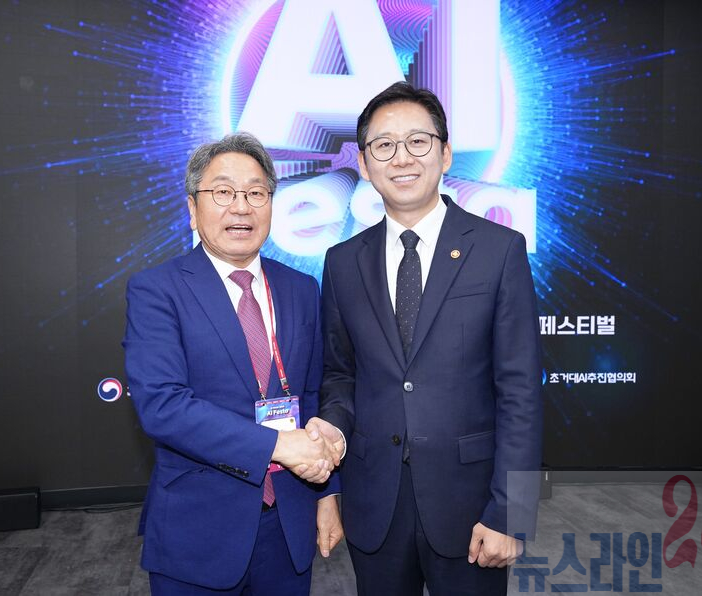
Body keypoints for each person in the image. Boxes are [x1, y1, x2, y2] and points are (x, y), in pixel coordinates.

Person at [315, 82, 544, 595]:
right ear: (364, 163)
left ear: (445, 153)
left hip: (473, 507)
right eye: (384, 145)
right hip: (374, 504)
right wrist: (330, 439)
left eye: (418, 141)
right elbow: (339, 375)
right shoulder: (343, 262)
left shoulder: (499, 250)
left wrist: (513, 511)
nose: (402, 158)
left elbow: (521, 393)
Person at [123, 132, 343, 595]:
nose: (241, 207)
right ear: (192, 208)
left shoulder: (301, 289)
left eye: (256, 193)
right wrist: (277, 446)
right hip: (199, 529)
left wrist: (326, 495)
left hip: (289, 521)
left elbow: (311, 396)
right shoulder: (157, 290)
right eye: (223, 192)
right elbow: (163, 407)